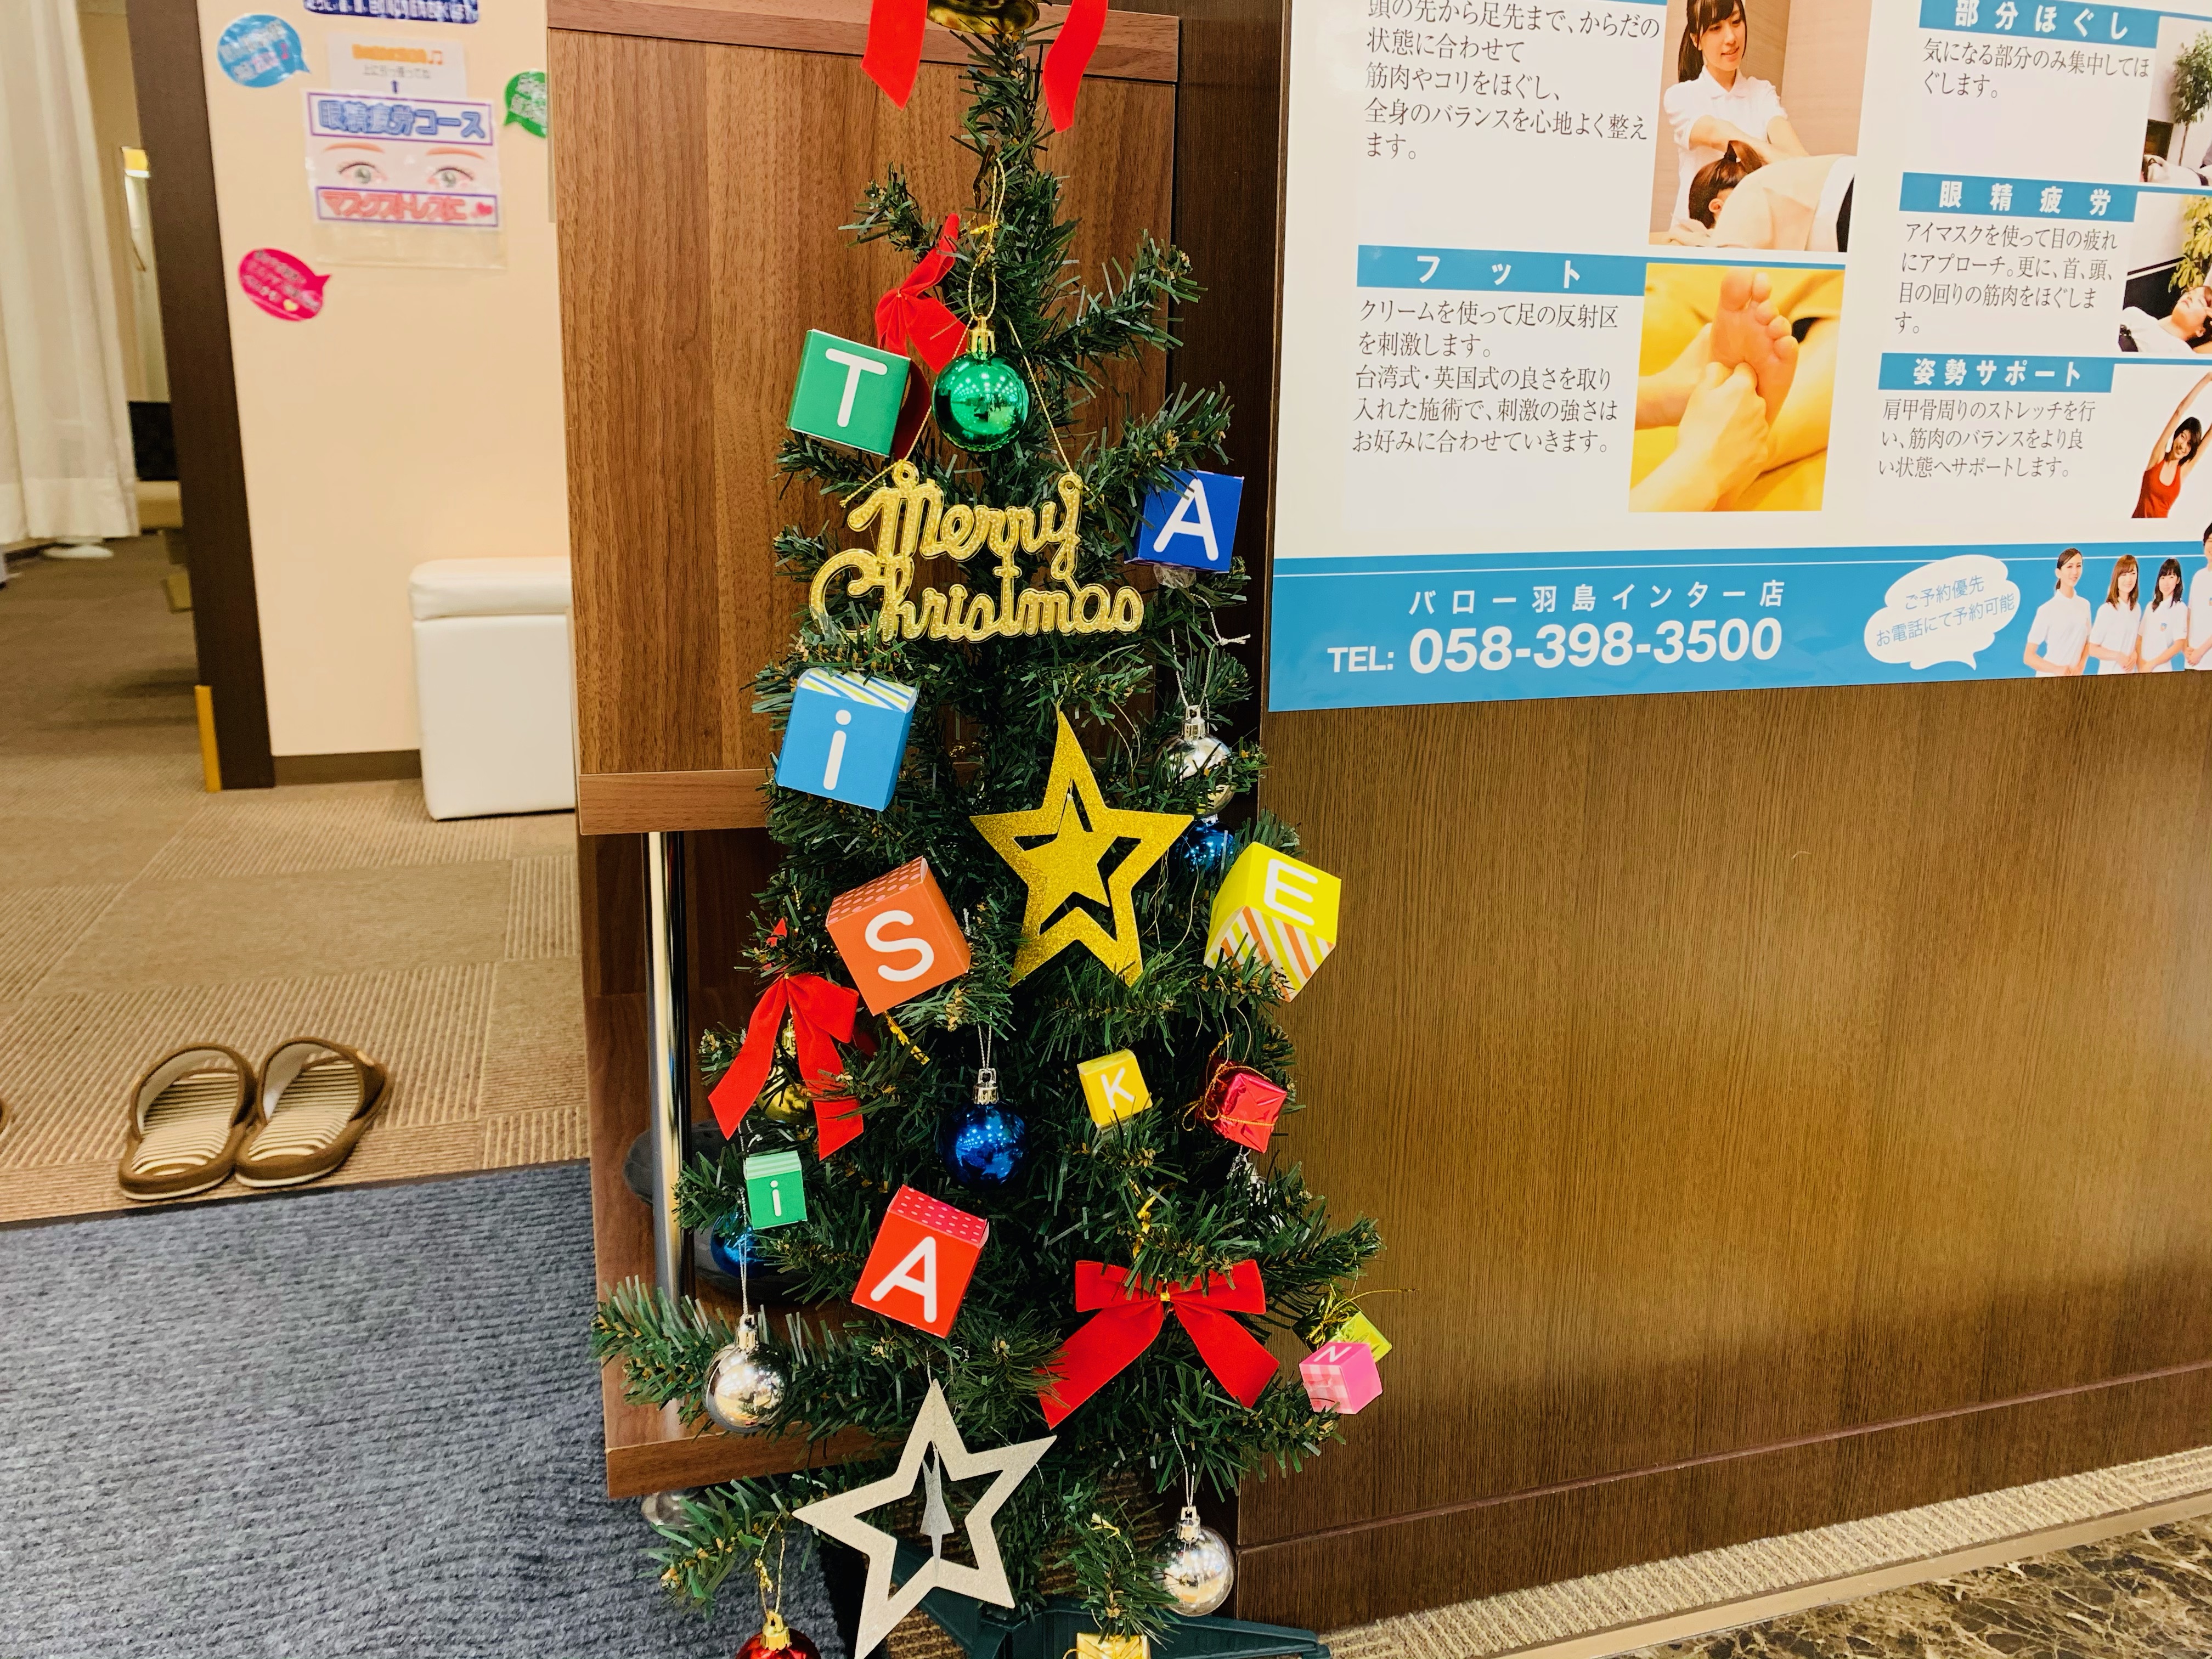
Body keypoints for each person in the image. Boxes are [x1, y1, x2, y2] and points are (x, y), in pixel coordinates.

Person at [1663, 0, 1804, 235]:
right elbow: (1717, 133)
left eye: (1736, 22)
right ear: (1697, 40)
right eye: (1716, 28)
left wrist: (1801, 166)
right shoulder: (1681, 96)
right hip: (1693, 238)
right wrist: (1772, 158)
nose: (1731, 38)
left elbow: (1798, 155)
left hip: (1746, 236)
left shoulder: (1762, 93)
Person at [1679, 146, 1857, 253]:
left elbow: (1730, 268)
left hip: (1840, 205)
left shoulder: (1738, 203)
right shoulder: (1767, 178)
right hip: (1849, 173)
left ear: (1717, 207)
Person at [2132, 374, 2212, 517]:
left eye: (2190, 444)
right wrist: (2208, 379)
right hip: (2137, 529)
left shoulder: (2182, 471)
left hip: (2162, 530)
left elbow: (2210, 434)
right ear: (2176, 436)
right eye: (2183, 437)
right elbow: (2178, 413)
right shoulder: (2158, 458)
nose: (2183, 446)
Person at [2023, 548, 2091, 676]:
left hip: (2075, 679)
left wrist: (2081, 666)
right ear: (2058, 573)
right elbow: (2029, 657)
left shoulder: (2084, 605)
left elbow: (2087, 642)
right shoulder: (2047, 610)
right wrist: (2056, 669)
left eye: (2079, 566)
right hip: (2050, 678)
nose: (2075, 572)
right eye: (2070, 567)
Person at [2086, 554, 2142, 673]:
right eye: (2124, 575)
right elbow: (2092, 649)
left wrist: (2135, 654)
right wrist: (2117, 656)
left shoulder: (2136, 609)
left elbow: (2132, 641)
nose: (2129, 580)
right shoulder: (2107, 610)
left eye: (2133, 574)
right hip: (2109, 676)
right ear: (2116, 578)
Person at [2119, 286, 2212, 356]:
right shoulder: (2134, 314)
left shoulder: (2182, 356)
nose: (2190, 297)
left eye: (2200, 301)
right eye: (2190, 293)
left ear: (2201, 331)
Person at [2139, 557, 2189, 670]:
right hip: (2142, 668)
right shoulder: (2150, 607)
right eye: (2163, 578)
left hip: (2161, 669)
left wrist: (2152, 664)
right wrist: (2141, 664)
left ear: (2178, 580)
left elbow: (2179, 644)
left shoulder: (2179, 608)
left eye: (2171, 577)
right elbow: (2139, 638)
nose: (2166, 583)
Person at [2188, 522, 2212, 668]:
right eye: (2210, 541)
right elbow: (2190, 615)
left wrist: (2201, 652)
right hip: (2192, 660)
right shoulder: (2199, 576)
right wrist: (2187, 647)